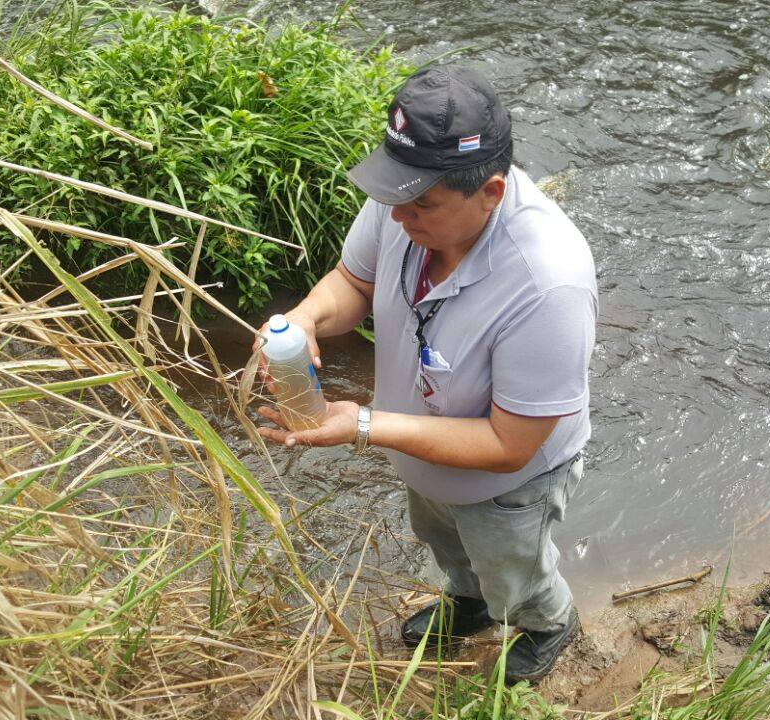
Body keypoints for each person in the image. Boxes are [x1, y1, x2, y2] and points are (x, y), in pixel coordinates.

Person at [254, 65, 597, 683]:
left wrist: (362, 424)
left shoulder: (549, 283)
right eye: (392, 196)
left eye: (420, 206)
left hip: (508, 482)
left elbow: (508, 445)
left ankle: (548, 624)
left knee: (512, 568)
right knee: (447, 543)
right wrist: (306, 318)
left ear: (489, 193)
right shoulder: (406, 202)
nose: (396, 217)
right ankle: (467, 602)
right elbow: (353, 282)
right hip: (420, 440)